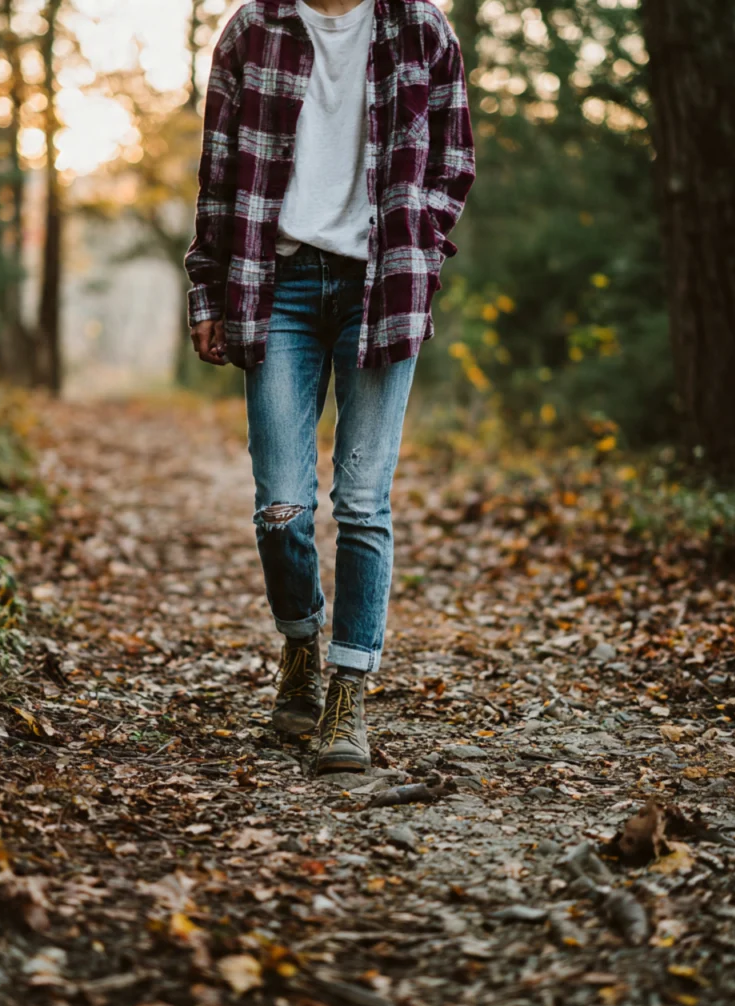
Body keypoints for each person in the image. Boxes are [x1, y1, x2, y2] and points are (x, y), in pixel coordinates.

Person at [185, 0, 475, 773]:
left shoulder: (421, 27)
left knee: (363, 500)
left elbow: (455, 159)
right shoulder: (254, 29)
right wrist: (207, 292)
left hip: (381, 285)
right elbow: (217, 177)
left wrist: (423, 242)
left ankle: (347, 694)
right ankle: (301, 647)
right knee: (280, 505)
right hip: (273, 286)